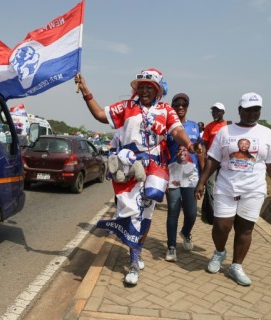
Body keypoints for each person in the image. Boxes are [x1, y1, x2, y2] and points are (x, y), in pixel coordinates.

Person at [75, 68, 199, 286]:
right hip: (131, 166)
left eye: (148, 87)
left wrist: (188, 144)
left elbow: (177, 131)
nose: (144, 90)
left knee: (147, 211)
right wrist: (86, 92)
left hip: (156, 167)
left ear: (157, 90)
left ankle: (137, 253)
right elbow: (100, 115)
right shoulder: (127, 107)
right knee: (132, 212)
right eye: (140, 87)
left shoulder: (166, 110)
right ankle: (134, 261)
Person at [194, 92, 271, 286]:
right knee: (221, 226)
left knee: (245, 228)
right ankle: (219, 252)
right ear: (240, 110)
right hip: (226, 186)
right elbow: (213, 159)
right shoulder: (225, 132)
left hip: (253, 189)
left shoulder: (267, 134)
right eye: (248, 109)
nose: (252, 113)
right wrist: (202, 181)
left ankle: (236, 266)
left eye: (256, 110)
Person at [165, 93, 204, 261]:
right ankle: (171, 246)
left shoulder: (195, 126)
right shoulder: (166, 127)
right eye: (177, 104)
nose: (180, 107)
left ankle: (185, 233)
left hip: (191, 176)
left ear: (187, 106)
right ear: (172, 106)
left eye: (184, 104)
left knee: (192, 213)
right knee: (173, 210)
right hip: (172, 175)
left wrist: (203, 178)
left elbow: (201, 151)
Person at [201, 102, 230, 224]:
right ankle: (211, 211)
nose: (215, 113)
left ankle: (222, 208)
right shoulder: (208, 127)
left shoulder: (228, 126)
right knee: (210, 184)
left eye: (217, 111)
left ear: (223, 112)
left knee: (223, 184)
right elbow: (204, 144)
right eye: (213, 111)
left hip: (225, 161)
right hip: (212, 160)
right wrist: (203, 157)